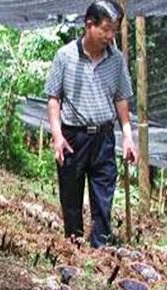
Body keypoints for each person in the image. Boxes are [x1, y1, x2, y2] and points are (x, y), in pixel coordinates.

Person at [44, 0, 138, 248]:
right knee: (71, 197)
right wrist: (57, 136)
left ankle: (101, 249)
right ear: (89, 25)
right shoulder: (65, 57)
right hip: (72, 137)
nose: (110, 36)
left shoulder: (117, 60)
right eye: (106, 29)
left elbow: (121, 99)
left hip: (104, 139)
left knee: (103, 196)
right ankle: (72, 246)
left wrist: (128, 136)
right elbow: (54, 98)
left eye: (114, 30)